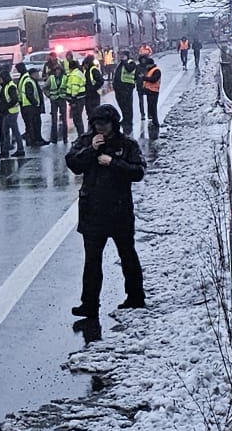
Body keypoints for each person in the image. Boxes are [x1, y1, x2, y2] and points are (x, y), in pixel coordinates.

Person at [66, 103, 146, 323]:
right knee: (92, 261)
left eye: (104, 124)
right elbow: (72, 163)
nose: (100, 128)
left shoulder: (126, 144)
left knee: (127, 255)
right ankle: (89, 303)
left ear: (113, 124)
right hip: (92, 211)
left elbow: (138, 171)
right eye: (97, 124)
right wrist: (91, 150)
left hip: (119, 210)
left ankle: (135, 297)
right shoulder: (85, 141)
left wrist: (113, 163)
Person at [114, 50, 139, 134]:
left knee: (127, 105)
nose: (121, 57)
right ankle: (125, 118)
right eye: (121, 55)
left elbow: (129, 69)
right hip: (119, 88)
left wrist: (124, 61)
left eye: (123, 55)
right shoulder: (120, 64)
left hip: (127, 88)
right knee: (121, 104)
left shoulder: (131, 63)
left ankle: (128, 121)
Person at [140, 54, 164, 136]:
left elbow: (153, 80)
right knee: (150, 107)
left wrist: (144, 78)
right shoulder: (150, 70)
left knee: (153, 108)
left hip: (153, 91)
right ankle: (153, 121)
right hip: (149, 91)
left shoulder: (156, 70)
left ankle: (156, 123)